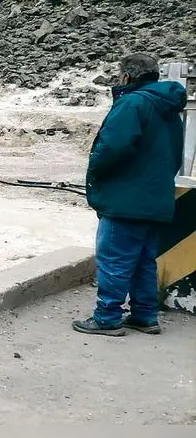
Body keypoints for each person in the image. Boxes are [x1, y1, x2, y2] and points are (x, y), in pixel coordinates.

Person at [72, 53, 187, 336]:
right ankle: (145, 315)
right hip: (155, 197)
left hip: (126, 198)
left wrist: (96, 173)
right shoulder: (168, 107)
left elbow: (112, 147)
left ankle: (108, 317)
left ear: (126, 76)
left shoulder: (132, 103)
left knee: (114, 258)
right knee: (143, 260)